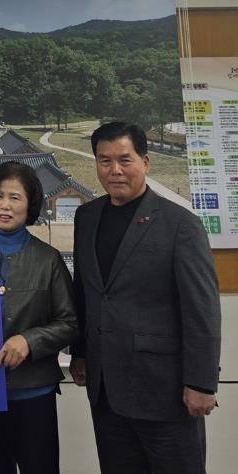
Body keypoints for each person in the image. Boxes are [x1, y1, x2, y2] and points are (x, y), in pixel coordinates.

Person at [69, 122, 222, 474]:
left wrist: (201, 382)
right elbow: (86, 290)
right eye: (105, 160)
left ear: (145, 162)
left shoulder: (180, 224)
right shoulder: (86, 217)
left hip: (164, 390)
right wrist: (81, 350)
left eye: (125, 159)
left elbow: (202, 310)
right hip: (106, 389)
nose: (115, 170)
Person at [0, 161, 78, 474]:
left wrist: (29, 341)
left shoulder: (48, 259)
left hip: (35, 392)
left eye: (15, 197)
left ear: (30, 204)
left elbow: (70, 322)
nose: (4, 205)